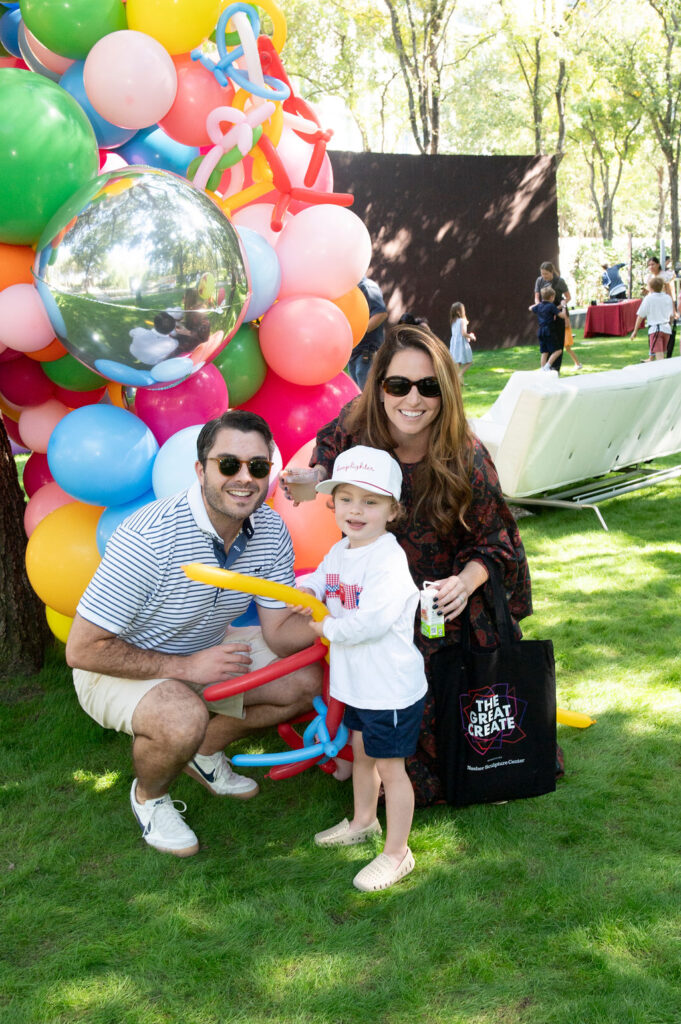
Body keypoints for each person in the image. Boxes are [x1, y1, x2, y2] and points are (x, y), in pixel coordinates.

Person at [280, 323, 532, 807]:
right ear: (379, 388)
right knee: (374, 721)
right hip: (376, 593)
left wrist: (465, 582)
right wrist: (315, 476)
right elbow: (327, 457)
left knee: (463, 723)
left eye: (428, 386)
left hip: (442, 603)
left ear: (446, 391)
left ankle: (481, 765)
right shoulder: (357, 426)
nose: (412, 399)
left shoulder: (466, 457)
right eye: (399, 385)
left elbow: (497, 540)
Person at [65, 410, 321, 857]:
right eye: (229, 464)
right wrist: (186, 667)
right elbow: (82, 650)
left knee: (306, 683)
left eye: (258, 466)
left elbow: (280, 635)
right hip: (113, 667)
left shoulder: (270, 530)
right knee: (181, 717)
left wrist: (332, 617)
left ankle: (203, 751)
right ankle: (150, 797)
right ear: (201, 470)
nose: (245, 478)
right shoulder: (148, 536)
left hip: (206, 651)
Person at [294, 446, 427, 892]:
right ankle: (364, 821)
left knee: (391, 768)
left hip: (388, 689)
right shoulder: (342, 550)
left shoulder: (387, 560)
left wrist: (326, 627)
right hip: (358, 684)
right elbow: (324, 577)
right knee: (362, 753)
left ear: (393, 510)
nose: (356, 510)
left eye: (370, 502)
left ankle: (398, 853)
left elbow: (372, 622)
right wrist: (306, 589)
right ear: (332, 503)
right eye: (346, 499)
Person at [347, 276, 388, 390]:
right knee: (358, 395)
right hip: (354, 352)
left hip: (366, 351)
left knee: (368, 394)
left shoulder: (366, 287)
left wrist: (359, 332)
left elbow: (380, 314)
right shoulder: (350, 290)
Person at [533, 262, 571, 374]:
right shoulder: (539, 281)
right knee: (547, 344)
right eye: (542, 274)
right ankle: (545, 369)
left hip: (558, 313)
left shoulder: (559, 281)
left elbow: (568, 297)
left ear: (551, 272)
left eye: (546, 274)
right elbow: (537, 298)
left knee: (558, 343)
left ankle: (555, 370)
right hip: (546, 315)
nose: (544, 276)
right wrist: (541, 307)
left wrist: (556, 308)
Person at [630, 276, 675, 361]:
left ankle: (660, 369)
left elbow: (640, 316)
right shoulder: (668, 298)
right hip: (667, 329)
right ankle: (652, 361)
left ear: (650, 287)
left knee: (659, 357)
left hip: (656, 330)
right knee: (662, 354)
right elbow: (671, 316)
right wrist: (670, 325)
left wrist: (635, 331)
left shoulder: (648, 299)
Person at [529, 286, 566, 372]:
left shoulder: (539, 306)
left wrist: (538, 304)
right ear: (552, 297)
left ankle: (542, 369)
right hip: (549, 330)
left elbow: (530, 308)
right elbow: (563, 316)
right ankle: (547, 366)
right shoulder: (551, 306)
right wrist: (564, 306)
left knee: (544, 352)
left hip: (541, 331)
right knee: (558, 351)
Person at [646, 257, 676, 357]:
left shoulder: (664, 276)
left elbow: (669, 293)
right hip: (653, 307)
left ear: (658, 264)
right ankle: (652, 355)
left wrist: (673, 310)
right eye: (649, 265)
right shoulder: (649, 277)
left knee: (664, 330)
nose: (651, 267)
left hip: (663, 307)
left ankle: (664, 353)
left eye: (653, 264)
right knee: (652, 330)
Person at [448, 301, 476, 381]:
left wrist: (467, 337)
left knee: (458, 362)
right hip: (461, 344)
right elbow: (463, 333)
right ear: (459, 311)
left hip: (455, 344)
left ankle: (454, 379)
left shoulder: (453, 321)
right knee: (469, 361)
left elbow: (458, 334)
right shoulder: (462, 321)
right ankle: (459, 376)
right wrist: (471, 336)